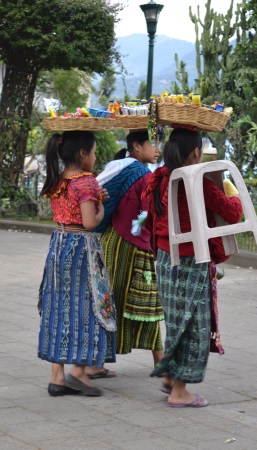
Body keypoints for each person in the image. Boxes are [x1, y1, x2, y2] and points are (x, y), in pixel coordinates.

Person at [142, 127, 243, 407]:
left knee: (176, 319)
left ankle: (170, 378)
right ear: (197, 152)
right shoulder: (197, 180)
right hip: (191, 259)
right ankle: (179, 392)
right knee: (194, 325)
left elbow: (150, 217)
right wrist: (233, 193)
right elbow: (232, 212)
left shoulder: (159, 178)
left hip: (164, 258)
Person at [38, 130, 116, 397]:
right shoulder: (86, 182)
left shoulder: (57, 179)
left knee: (58, 307)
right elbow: (90, 222)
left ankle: (57, 377)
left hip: (58, 245)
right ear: (83, 154)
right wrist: (102, 205)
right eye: (93, 152)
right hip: (82, 248)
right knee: (88, 306)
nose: (94, 157)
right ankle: (80, 372)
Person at [85, 130, 165, 379]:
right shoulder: (143, 175)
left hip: (114, 242)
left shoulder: (122, 167)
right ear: (137, 147)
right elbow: (147, 217)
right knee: (146, 307)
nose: (157, 149)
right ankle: (163, 368)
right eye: (153, 144)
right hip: (131, 247)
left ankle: (93, 363)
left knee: (109, 303)